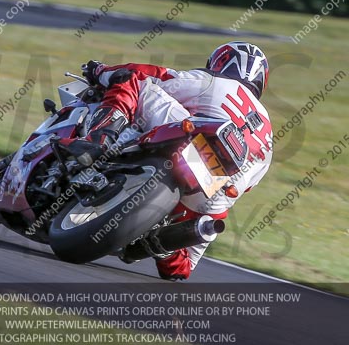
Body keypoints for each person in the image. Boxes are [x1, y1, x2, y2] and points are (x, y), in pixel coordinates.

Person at [63, 42, 274, 280]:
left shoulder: (214, 81)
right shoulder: (269, 139)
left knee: (132, 80)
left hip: (194, 140)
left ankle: (98, 141)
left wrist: (100, 71)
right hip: (220, 183)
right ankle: (161, 245)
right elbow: (245, 186)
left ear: (219, 62)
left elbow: (155, 75)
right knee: (183, 268)